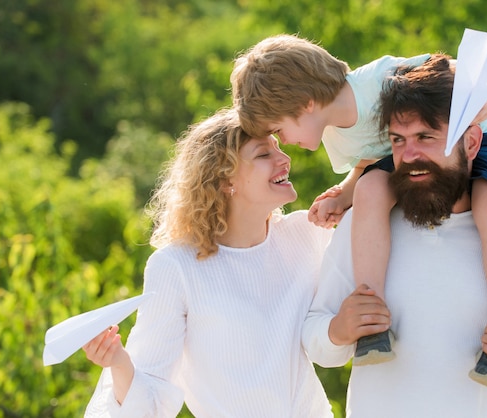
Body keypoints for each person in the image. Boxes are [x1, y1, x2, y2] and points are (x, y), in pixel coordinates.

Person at [301, 54, 487, 417]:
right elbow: (315, 341)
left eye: (426, 137)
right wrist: (338, 330)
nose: (410, 155)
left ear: (472, 144)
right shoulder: (361, 228)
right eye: (398, 140)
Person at [230, 34, 487, 385]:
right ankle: (373, 317)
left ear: (306, 103)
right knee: (369, 189)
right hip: (411, 160)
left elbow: (459, 73)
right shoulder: (335, 138)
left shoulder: (382, 79)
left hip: (471, 141)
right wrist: (344, 194)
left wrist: (470, 108)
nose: (284, 140)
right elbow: (371, 161)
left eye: (279, 129)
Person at [82, 108, 334, 417]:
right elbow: (152, 389)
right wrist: (117, 361)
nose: (285, 159)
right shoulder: (176, 267)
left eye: (279, 148)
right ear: (226, 179)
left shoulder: (307, 235)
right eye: (263, 154)